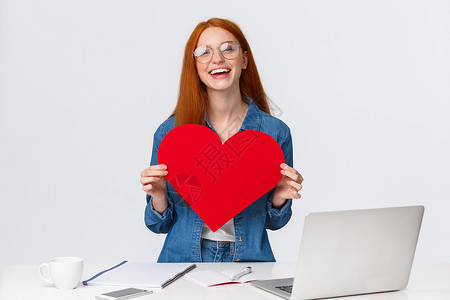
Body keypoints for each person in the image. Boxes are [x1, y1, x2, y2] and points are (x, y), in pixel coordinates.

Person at [140, 18, 303, 263]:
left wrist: (279, 196)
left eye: (228, 48)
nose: (217, 59)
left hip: (249, 264)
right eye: (204, 53)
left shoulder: (274, 133)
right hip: (182, 262)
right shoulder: (170, 134)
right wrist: (160, 196)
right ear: (193, 66)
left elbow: (275, 222)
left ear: (244, 60)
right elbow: (157, 225)